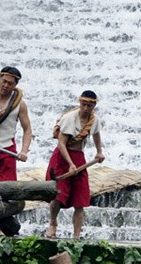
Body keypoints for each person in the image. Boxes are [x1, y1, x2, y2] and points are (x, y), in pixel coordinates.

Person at [45, 90, 105, 240]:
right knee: (58, 194)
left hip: (79, 158)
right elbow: (61, 143)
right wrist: (70, 164)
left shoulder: (94, 120)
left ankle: (77, 235)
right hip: (62, 158)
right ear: (80, 102)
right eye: (83, 104)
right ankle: (53, 223)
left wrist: (99, 152)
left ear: (94, 105)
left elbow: (96, 134)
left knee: (80, 198)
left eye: (89, 105)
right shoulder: (69, 118)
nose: (86, 108)